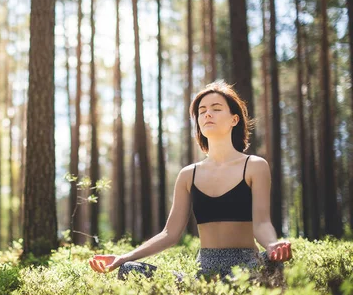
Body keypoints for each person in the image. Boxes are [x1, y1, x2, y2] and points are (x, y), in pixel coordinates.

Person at [89, 80, 292, 280]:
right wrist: (123, 257)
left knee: (275, 263)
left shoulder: (255, 166)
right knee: (129, 269)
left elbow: (262, 223)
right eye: (201, 111)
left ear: (234, 120)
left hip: (247, 267)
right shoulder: (189, 174)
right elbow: (170, 234)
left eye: (216, 108)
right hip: (204, 273)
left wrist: (273, 245)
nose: (207, 114)